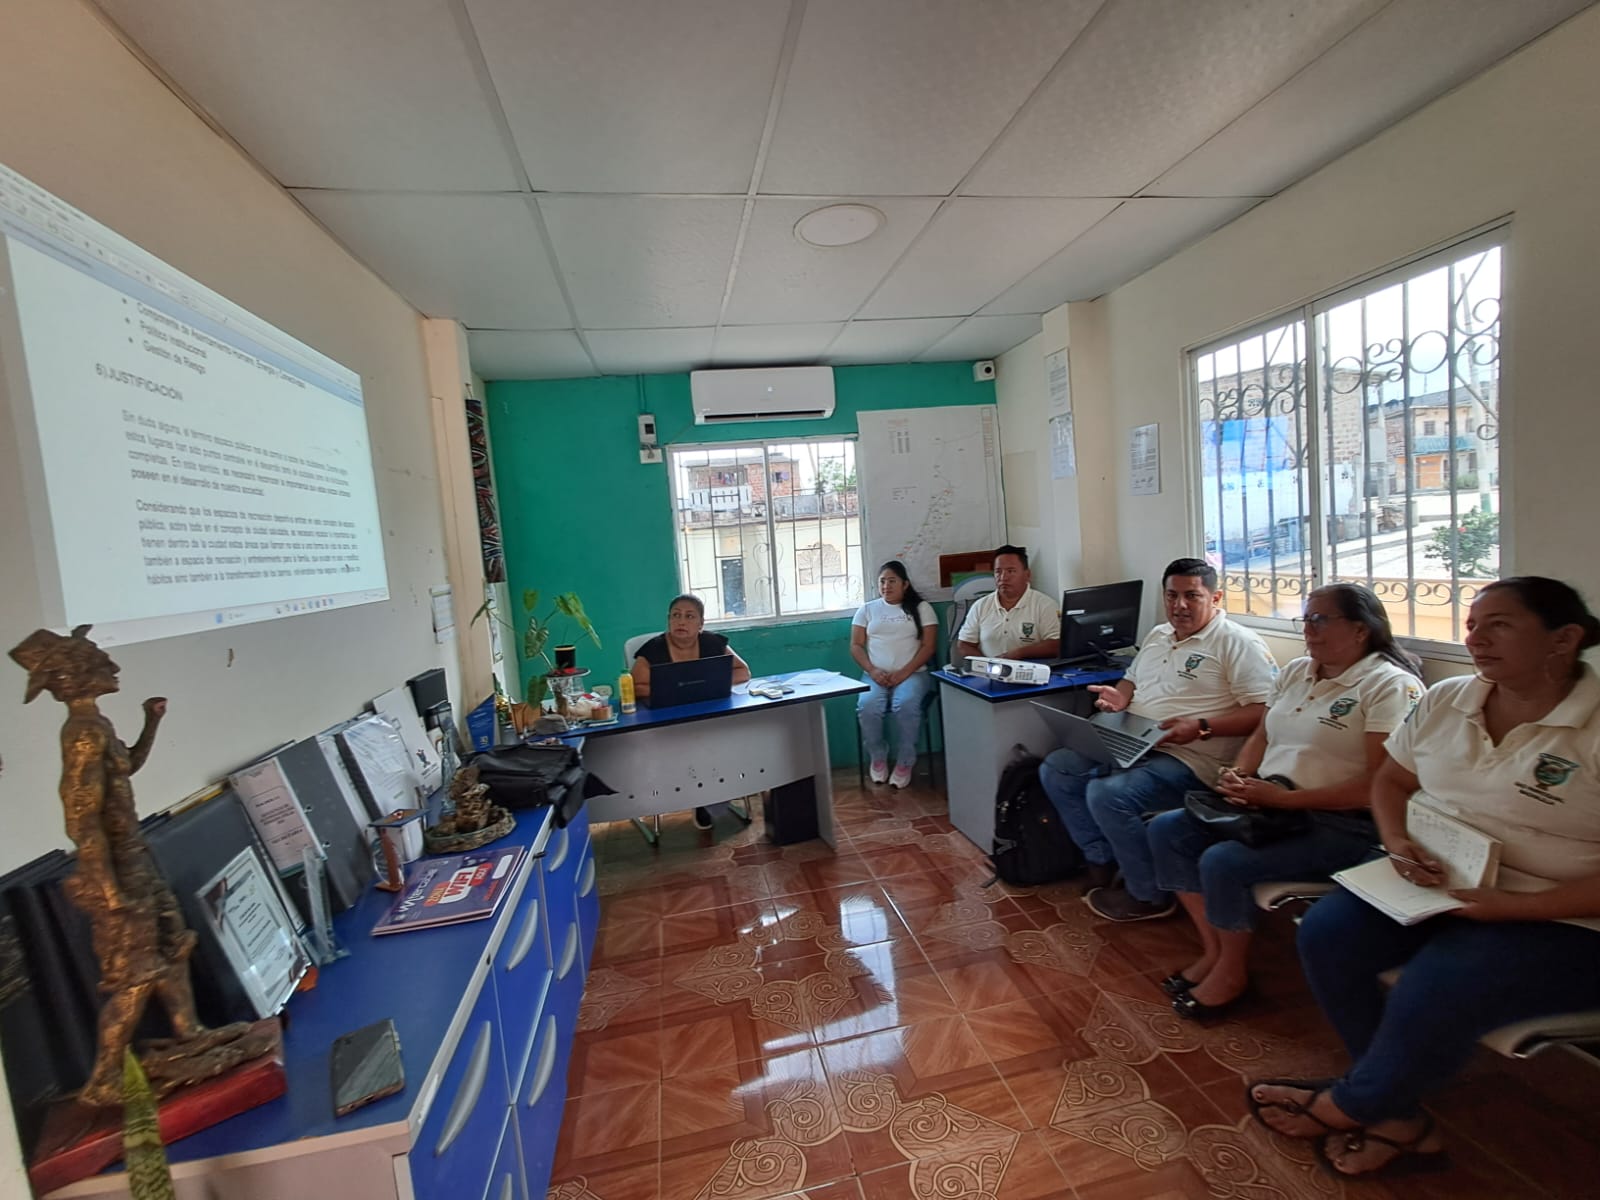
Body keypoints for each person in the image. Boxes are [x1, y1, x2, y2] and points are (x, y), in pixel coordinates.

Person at [1250, 578, 1600, 1180]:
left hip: (1561, 914)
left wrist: (1506, 908)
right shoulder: (1450, 699)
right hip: (1439, 879)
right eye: (1472, 624)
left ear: (1563, 639)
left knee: (1439, 982)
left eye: (1500, 625)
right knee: (1328, 931)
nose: (1476, 638)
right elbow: (1392, 781)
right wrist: (1397, 841)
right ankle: (1393, 1111)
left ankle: (1351, 1104)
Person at [1147, 583, 1423, 1019]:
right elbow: (1263, 733)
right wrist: (1240, 774)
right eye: (1305, 619)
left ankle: (1232, 970)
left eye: (1321, 620)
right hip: (1272, 805)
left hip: (1343, 823)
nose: (1309, 630)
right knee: (1167, 830)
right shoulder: (1298, 671)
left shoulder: (1389, 686)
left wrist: (1286, 799)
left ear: (1360, 629)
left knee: (1223, 861)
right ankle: (1214, 949)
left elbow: (1380, 785)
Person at [1039, 557, 1277, 922]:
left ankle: (1148, 894)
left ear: (1215, 598)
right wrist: (1119, 698)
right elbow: (1131, 681)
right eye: (1171, 596)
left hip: (1192, 758)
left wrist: (1201, 726)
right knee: (1057, 768)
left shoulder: (1237, 643)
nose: (1179, 605)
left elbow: (1264, 713)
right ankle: (1103, 860)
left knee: (1107, 794)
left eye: (1191, 596)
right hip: (1136, 739)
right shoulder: (1158, 635)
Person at [631, 593, 751, 830]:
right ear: (669, 620)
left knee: (719, 739)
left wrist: (710, 684)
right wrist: (675, 688)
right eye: (675, 616)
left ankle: (710, 797)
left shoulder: (713, 643)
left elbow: (743, 672)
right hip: (667, 720)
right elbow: (635, 686)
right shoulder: (653, 649)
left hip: (708, 715)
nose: (681, 622)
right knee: (696, 743)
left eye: (689, 616)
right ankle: (702, 799)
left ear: (701, 624)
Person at [851, 561, 938, 788]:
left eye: (892, 581)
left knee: (906, 704)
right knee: (867, 706)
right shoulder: (867, 610)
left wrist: (903, 673)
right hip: (875, 676)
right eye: (882, 581)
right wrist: (872, 670)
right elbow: (856, 645)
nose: (886, 586)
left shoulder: (922, 608)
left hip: (913, 674)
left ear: (905, 584)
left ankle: (905, 761)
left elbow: (928, 647)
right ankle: (878, 756)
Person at [953, 545, 1060, 662]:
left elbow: (1055, 645)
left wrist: (1019, 654)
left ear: (1027, 575)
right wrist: (987, 665)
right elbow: (964, 644)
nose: (1003, 577)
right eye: (998, 572)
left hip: (1030, 670)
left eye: (1011, 571)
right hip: (989, 670)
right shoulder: (980, 606)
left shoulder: (1045, 605)